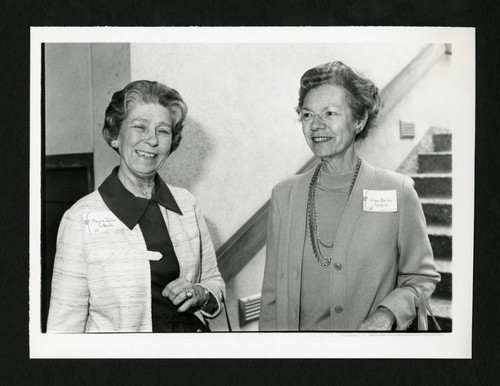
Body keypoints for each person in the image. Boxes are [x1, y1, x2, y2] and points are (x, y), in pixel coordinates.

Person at [259, 61, 440, 331]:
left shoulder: (397, 191)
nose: (316, 126)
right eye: (307, 115)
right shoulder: (284, 194)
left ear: (359, 120)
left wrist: (386, 315)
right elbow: (272, 294)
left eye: (330, 113)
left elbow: (421, 277)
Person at [47, 80, 225, 333]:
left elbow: (213, 282)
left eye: (163, 131)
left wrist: (201, 294)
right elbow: (64, 327)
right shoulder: (80, 218)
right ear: (115, 136)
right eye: (140, 127)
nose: (152, 140)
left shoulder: (187, 204)